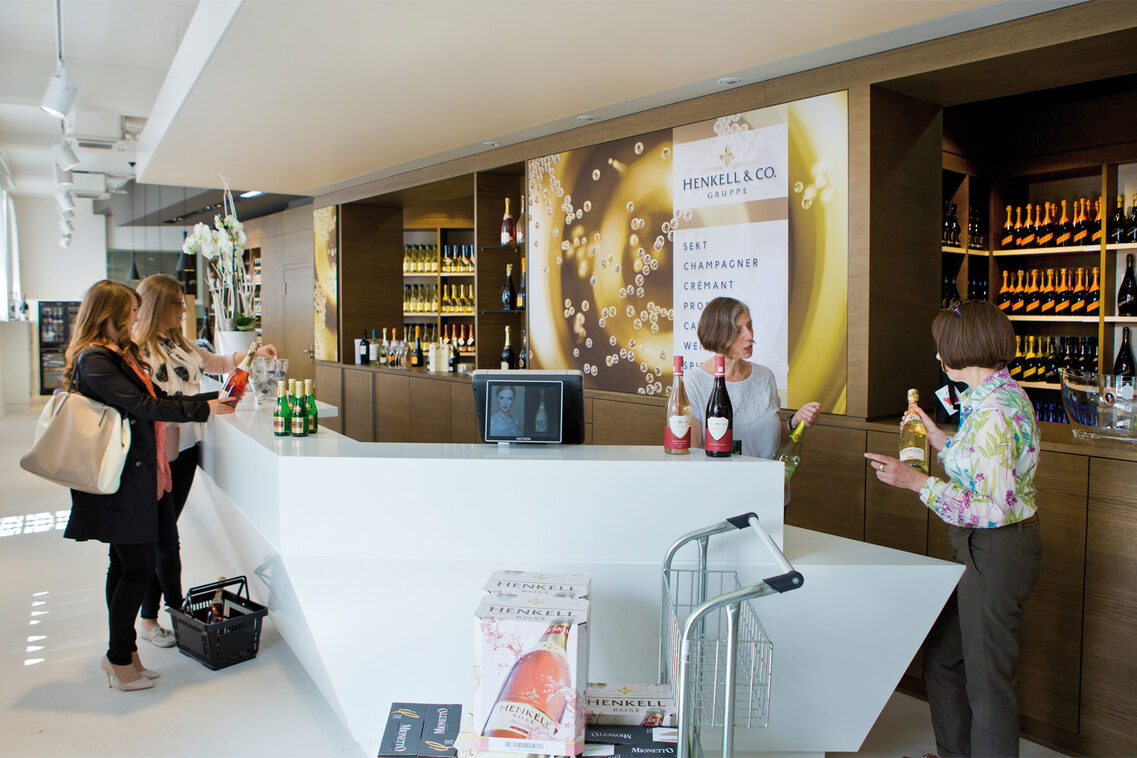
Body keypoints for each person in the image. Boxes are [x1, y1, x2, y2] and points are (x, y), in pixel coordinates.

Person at [865, 299, 1042, 757]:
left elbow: (992, 508)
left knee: (988, 686)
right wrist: (937, 436)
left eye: (940, 346)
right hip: (983, 549)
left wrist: (917, 482)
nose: (937, 356)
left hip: (996, 549)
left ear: (960, 350)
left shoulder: (995, 413)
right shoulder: (991, 399)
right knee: (945, 656)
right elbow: (978, 465)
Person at [61, 280, 236, 691]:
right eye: (131, 312)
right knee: (136, 566)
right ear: (111, 316)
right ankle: (120, 656)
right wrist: (203, 407)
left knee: (124, 565)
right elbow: (144, 405)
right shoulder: (95, 360)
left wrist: (207, 401)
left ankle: (124, 654)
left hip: (140, 473)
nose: (136, 319)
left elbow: (159, 396)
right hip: (120, 479)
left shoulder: (119, 355)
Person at [131, 274, 277, 647]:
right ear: (159, 307)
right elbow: (153, 405)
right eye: (178, 303)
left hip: (186, 450)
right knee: (160, 537)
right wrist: (200, 405)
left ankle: (158, 617)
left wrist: (252, 354)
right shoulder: (138, 350)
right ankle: (160, 618)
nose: (184, 310)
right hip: (159, 453)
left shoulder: (180, 343)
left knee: (163, 532)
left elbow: (217, 362)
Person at [686, 297, 821, 470]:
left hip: (769, 488)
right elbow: (692, 455)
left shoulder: (765, 377)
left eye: (749, 326)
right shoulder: (694, 384)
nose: (750, 336)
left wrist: (794, 421)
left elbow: (768, 436)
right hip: (722, 491)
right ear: (717, 335)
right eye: (738, 331)